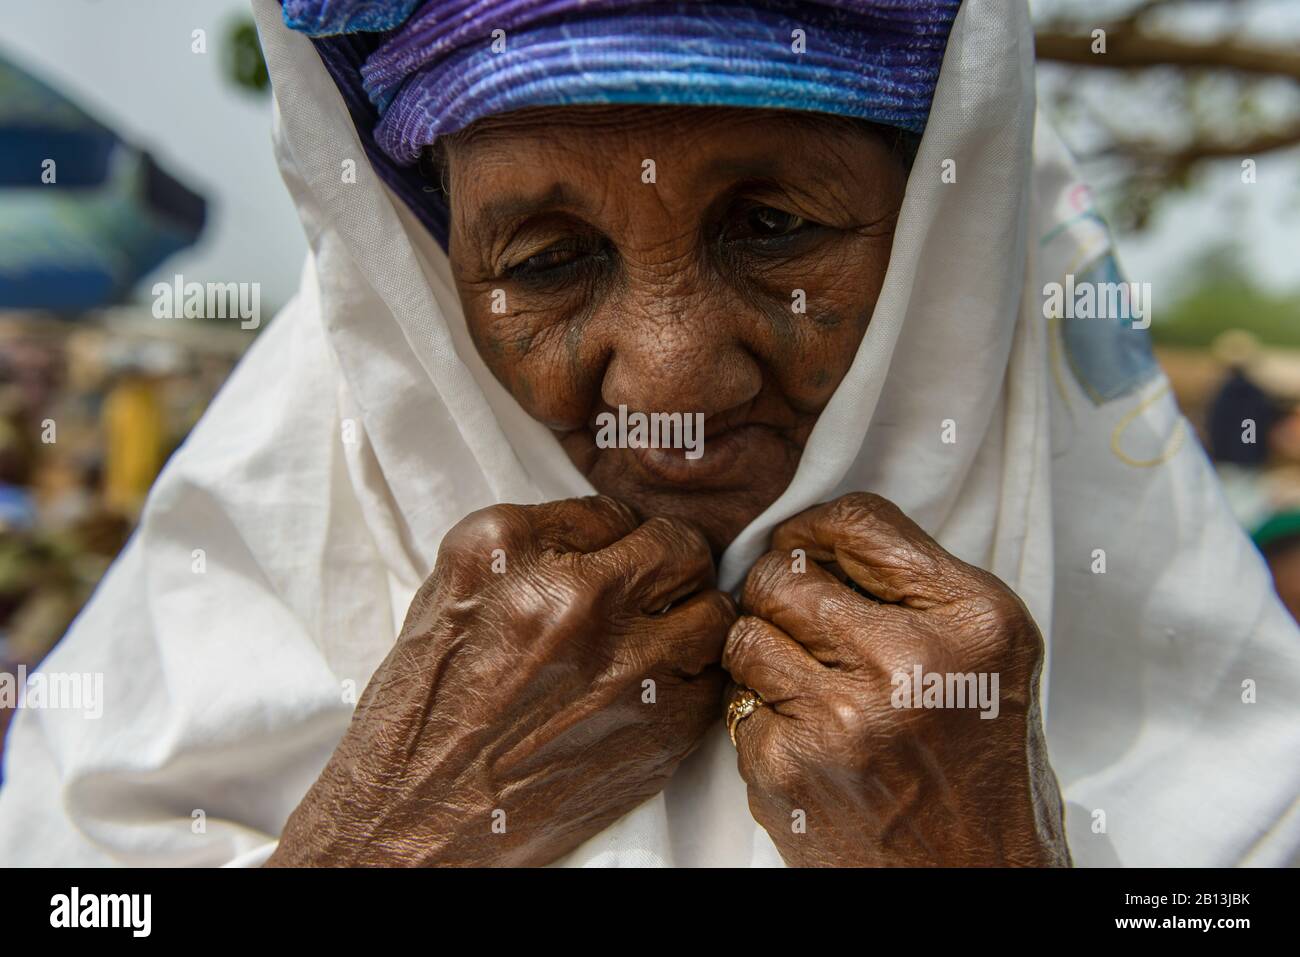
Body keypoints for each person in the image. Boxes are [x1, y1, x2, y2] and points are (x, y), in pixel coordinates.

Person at [1, 0, 1297, 867]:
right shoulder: (125, 769)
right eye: (550, 257)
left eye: (775, 226)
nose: (672, 370)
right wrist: (389, 837)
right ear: (422, 284)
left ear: (944, 257)